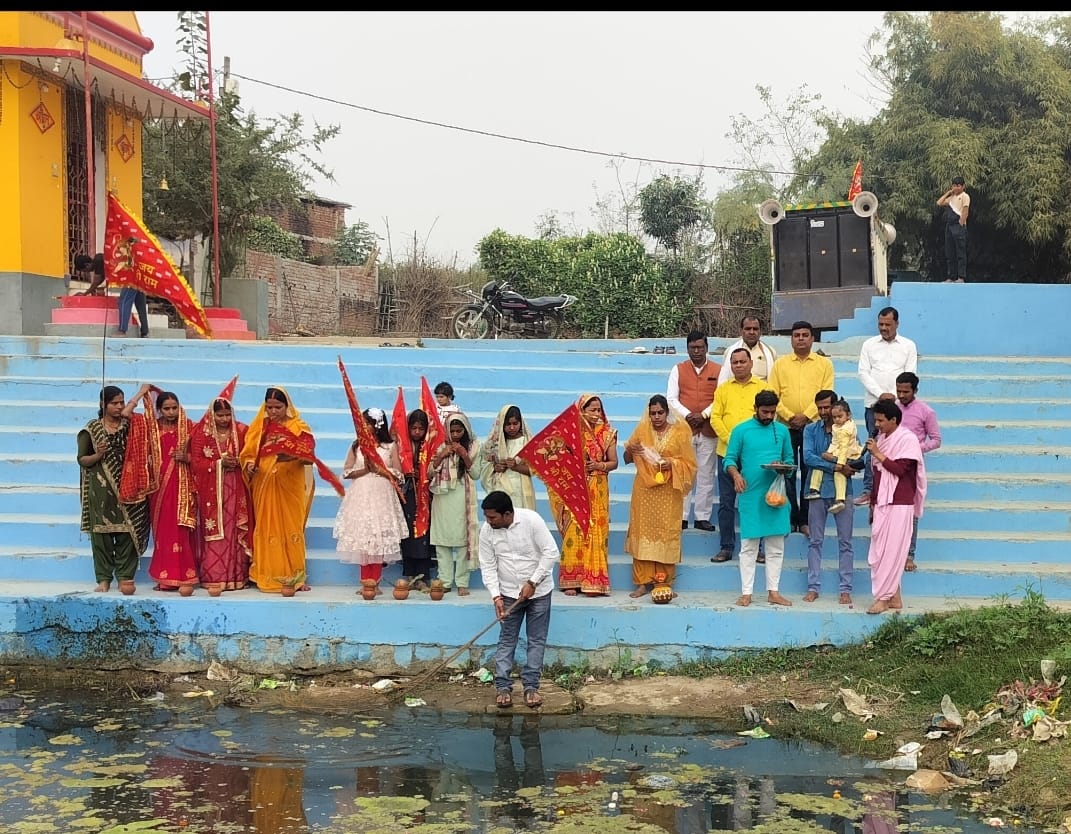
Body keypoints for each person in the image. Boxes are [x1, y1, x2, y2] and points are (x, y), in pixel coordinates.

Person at [479, 489, 560, 710]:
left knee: (536, 640)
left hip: (539, 592)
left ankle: (531, 687)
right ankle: (503, 687)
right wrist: (495, 595)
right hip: (507, 593)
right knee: (507, 639)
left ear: (507, 514)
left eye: (492, 517)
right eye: (486, 517)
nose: (489, 521)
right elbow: (487, 565)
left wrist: (532, 582)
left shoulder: (531, 520)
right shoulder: (487, 531)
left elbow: (551, 553)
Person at [722, 389, 794, 608]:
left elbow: (790, 460)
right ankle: (747, 593)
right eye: (765, 412)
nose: (769, 416)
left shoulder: (782, 431)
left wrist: (782, 468)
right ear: (755, 409)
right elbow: (729, 460)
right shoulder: (741, 430)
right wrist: (736, 475)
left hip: (776, 495)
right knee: (749, 546)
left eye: (773, 412)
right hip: (750, 495)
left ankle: (774, 592)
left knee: (776, 546)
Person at [239, 386, 315, 593]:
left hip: (290, 485)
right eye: (269, 407)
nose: (273, 412)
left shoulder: (298, 426)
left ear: (286, 406)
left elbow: (309, 456)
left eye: (277, 407)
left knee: (291, 528)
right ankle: (265, 575)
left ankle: (296, 578)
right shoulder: (259, 427)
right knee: (266, 527)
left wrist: (290, 455)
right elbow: (247, 454)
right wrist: (249, 465)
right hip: (263, 484)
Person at [76, 385, 151, 593]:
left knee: (129, 532)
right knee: (102, 535)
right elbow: (82, 459)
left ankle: (125, 577)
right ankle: (104, 579)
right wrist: (98, 455)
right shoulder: (92, 429)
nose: (119, 407)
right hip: (101, 490)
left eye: (121, 402)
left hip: (130, 487)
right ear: (103, 405)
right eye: (114, 403)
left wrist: (140, 394)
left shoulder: (131, 425)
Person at [622, 394, 697, 599]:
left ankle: (664, 582)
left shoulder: (680, 433)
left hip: (668, 490)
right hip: (644, 490)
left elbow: (690, 465)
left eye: (660, 413)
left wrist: (670, 463)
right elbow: (627, 459)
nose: (656, 417)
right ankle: (642, 582)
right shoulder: (642, 430)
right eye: (652, 413)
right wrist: (632, 450)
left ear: (667, 412)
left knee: (665, 533)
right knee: (642, 530)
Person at [768, 320, 834, 535]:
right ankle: (789, 517)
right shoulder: (780, 364)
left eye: (805, 335)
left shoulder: (824, 364)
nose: (801, 338)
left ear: (812, 338)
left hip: (813, 427)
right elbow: (773, 394)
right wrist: (789, 416)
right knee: (786, 473)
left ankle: (805, 520)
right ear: (791, 339)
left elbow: (826, 394)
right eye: (797, 335)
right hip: (785, 427)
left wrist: (806, 416)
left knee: (809, 473)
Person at [334, 407, 409, 595]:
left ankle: (375, 581)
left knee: (378, 536)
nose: (364, 426)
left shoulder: (390, 446)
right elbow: (347, 471)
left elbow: (399, 474)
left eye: (367, 423)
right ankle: (365, 581)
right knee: (363, 536)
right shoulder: (357, 446)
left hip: (381, 493)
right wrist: (366, 470)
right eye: (363, 423)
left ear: (377, 425)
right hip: (361, 493)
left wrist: (380, 470)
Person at [710, 348, 773, 563]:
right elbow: (715, 418)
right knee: (727, 503)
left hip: (753, 456)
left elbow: (766, 419)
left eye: (742, 361)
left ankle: (758, 548)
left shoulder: (763, 388)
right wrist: (732, 440)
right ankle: (726, 547)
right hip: (726, 452)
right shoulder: (723, 390)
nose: (738, 365)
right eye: (734, 362)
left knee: (755, 501)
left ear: (751, 363)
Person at [865, 398, 927, 615]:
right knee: (881, 552)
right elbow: (877, 475)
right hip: (882, 502)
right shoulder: (881, 439)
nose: (877, 425)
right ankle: (895, 598)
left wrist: (878, 454)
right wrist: (873, 502)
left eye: (881, 421)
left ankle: (882, 598)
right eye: (876, 421)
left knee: (891, 552)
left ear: (893, 419)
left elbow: (900, 470)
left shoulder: (907, 440)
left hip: (900, 503)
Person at [553, 393, 618, 597]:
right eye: (592, 410)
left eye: (599, 409)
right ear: (581, 411)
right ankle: (571, 579)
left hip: (597, 486)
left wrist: (598, 465)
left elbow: (613, 462)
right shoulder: (570, 434)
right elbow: (559, 459)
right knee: (575, 529)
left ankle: (594, 580)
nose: (597, 414)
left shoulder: (608, 433)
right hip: (576, 487)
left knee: (596, 531)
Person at [136, 391, 201, 591]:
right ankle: (165, 577)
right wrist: (142, 391)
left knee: (181, 530)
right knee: (164, 532)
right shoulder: (152, 428)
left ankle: (185, 575)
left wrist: (188, 458)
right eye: (166, 408)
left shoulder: (190, 427)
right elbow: (128, 415)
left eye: (174, 407)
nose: (171, 412)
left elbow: (202, 453)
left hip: (183, 487)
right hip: (160, 489)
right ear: (159, 409)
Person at [189, 390, 253, 593]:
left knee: (234, 530)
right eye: (220, 415)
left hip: (236, 487)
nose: (224, 419)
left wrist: (240, 462)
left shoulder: (243, 430)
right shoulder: (202, 434)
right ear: (212, 415)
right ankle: (214, 577)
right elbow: (196, 462)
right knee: (217, 533)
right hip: (212, 492)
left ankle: (236, 577)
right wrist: (218, 463)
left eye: (227, 415)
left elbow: (252, 455)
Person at [801, 390, 860, 605]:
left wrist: (842, 465)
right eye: (820, 408)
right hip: (816, 492)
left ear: (837, 408)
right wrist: (836, 465)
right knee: (815, 541)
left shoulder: (848, 429)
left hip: (843, 493)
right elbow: (808, 458)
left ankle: (845, 589)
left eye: (827, 407)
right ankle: (813, 587)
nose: (824, 412)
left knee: (846, 542)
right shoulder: (810, 429)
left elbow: (855, 458)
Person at [856, 306, 918, 506]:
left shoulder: (908, 345)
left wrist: (893, 395)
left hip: (899, 406)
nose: (884, 328)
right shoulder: (869, 344)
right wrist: (880, 394)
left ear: (897, 324)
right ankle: (869, 490)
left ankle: (899, 487)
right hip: (873, 404)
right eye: (880, 324)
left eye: (888, 324)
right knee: (873, 444)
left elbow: (910, 373)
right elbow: (863, 373)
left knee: (896, 445)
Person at [666, 330, 721, 531]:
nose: (696, 351)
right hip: (684, 429)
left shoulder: (719, 369)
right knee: (683, 474)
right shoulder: (678, 369)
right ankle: (681, 516)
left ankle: (702, 517)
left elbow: (721, 397)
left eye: (700, 347)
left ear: (707, 348)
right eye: (692, 348)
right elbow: (671, 399)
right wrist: (689, 414)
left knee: (706, 474)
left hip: (708, 430)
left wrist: (704, 414)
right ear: (687, 348)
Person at [429, 411, 481, 595]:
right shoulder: (438, 445)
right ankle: (444, 581)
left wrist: (464, 455)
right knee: (442, 541)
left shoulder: (475, 446)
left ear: (465, 430)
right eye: (453, 431)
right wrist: (442, 455)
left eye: (459, 431)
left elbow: (476, 474)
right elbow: (428, 473)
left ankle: (462, 582)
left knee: (462, 541)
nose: (456, 435)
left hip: (462, 496)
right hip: (442, 497)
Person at [895, 371, 941, 572]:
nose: (902, 395)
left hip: (912, 466)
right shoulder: (893, 409)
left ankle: (909, 554)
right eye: (898, 391)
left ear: (915, 390)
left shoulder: (926, 411)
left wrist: (915, 448)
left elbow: (936, 440)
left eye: (906, 391)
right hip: (890, 464)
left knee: (911, 510)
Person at [805, 399, 863, 513]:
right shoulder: (816, 428)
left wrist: (839, 463)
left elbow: (845, 447)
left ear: (848, 415)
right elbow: (808, 457)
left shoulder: (847, 429)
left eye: (840, 416)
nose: (837, 419)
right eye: (835, 417)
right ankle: (814, 489)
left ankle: (840, 499)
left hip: (847, 454)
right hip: (837, 452)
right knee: (819, 464)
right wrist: (829, 455)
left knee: (838, 473)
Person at [399, 408, 436, 589]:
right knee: (407, 532)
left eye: (420, 429)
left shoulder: (430, 445)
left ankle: (423, 576)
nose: (417, 433)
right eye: (413, 428)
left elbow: (434, 469)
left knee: (423, 534)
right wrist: (406, 473)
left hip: (425, 494)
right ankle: (409, 574)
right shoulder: (401, 446)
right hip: (407, 494)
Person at [480, 404, 536, 511]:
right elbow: (484, 464)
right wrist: (495, 468)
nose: (512, 428)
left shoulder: (527, 443)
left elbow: (534, 470)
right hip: (500, 489)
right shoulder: (493, 443)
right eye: (508, 424)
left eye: (515, 423)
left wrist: (515, 467)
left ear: (521, 423)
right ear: (501, 424)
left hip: (521, 491)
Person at [718, 315, 777, 384]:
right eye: (748, 329)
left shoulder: (770, 352)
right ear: (741, 331)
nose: (751, 332)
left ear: (760, 331)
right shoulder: (730, 352)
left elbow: (775, 380)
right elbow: (725, 378)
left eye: (755, 329)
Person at [937, 175, 970, 282]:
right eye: (954, 186)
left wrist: (961, 224)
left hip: (958, 226)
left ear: (963, 186)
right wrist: (948, 192)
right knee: (949, 253)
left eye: (958, 186)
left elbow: (965, 211)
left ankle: (961, 277)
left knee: (960, 252)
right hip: (949, 226)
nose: (956, 188)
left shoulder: (965, 196)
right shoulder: (951, 198)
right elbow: (939, 202)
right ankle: (951, 276)